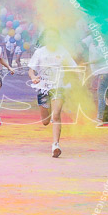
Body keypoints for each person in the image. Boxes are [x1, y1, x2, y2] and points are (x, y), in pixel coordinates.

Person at [29, 29, 78, 158]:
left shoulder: (62, 51)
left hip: (59, 87)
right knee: (45, 121)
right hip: (43, 88)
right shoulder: (39, 52)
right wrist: (33, 77)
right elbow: (31, 70)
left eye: (54, 37)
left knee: (56, 115)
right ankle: (49, 115)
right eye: (49, 37)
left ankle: (55, 145)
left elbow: (73, 67)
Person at [82, 31, 108, 125]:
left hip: (106, 72)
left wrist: (88, 63)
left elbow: (102, 58)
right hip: (102, 72)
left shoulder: (103, 44)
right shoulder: (91, 40)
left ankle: (99, 119)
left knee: (101, 95)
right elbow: (81, 44)